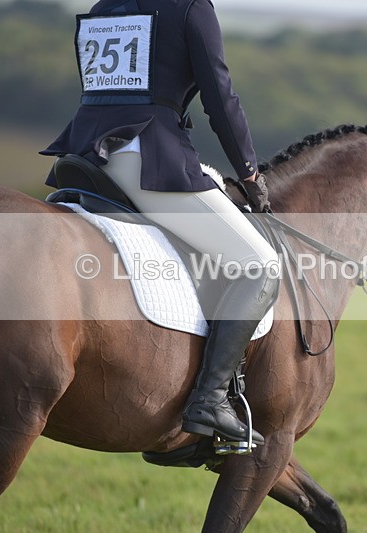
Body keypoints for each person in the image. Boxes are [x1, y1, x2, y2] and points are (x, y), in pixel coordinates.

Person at [41, 0, 278, 447]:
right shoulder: (190, 7)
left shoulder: (105, 5)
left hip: (87, 153)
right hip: (145, 156)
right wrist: (248, 173)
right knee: (260, 265)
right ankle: (210, 399)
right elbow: (220, 96)